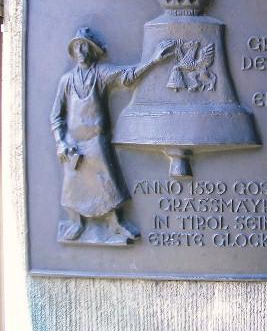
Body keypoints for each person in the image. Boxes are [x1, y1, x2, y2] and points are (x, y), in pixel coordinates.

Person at [50, 27, 175, 244]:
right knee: (73, 185)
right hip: (74, 145)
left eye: (85, 46)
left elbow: (127, 76)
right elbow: (56, 116)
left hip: (97, 141)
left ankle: (116, 222)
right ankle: (76, 222)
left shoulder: (101, 74)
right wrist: (61, 142)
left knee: (109, 182)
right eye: (77, 46)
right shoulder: (66, 81)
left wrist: (153, 60)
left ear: (93, 50)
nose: (81, 51)